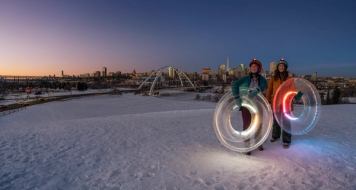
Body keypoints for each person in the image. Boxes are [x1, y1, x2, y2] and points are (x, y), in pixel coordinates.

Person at [232, 58, 268, 155]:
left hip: (258, 104)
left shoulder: (262, 79)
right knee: (247, 125)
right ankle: (247, 146)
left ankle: (258, 143)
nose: (253, 68)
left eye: (255, 66)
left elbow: (265, 86)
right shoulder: (245, 78)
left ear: (258, 69)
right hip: (246, 105)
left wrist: (258, 89)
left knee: (258, 124)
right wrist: (237, 98)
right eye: (252, 66)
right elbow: (234, 85)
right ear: (250, 68)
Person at [266, 58, 302, 148]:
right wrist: (268, 100)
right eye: (279, 66)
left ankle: (286, 140)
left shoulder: (289, 79)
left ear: (285, 67)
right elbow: (269, 90)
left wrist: (296, 96)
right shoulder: (273, 78)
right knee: (276, 121)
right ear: (277, 67)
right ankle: (275, 136)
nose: (281, 67)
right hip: (275, 103)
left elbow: (293, 89)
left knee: (286, 123)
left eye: (283, 66)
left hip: (286, 104)